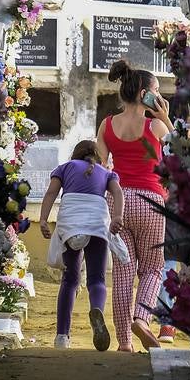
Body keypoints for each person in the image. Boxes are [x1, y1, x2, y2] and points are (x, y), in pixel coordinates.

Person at [97, 60, 174, 352]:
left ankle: (125, 343)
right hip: (151, 201)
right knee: (153, 269)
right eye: (155, 92)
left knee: (123, 273)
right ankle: (142, 319)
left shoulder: (107, 125)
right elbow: (179, 149)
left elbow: (102, 167)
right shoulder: (154, 124)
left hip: (118, 202)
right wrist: (166, 117)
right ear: (145, 94)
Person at [39, 140, 127, 351]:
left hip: (71, 222)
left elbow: (51, 193)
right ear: (97, 157)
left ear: (75, 154)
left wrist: (43, 219)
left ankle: (62, 337)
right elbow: (118, 193)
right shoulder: (106, 173)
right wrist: (117, 217)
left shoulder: (65, 168)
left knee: (70, 280)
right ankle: (96, 309)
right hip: (97, 221)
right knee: (97, 279)